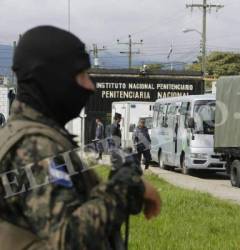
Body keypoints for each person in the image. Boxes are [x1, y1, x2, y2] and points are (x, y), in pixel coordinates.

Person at [0, 26, 161, 250]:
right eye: (81, 75)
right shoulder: (35, 146)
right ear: (52, 79)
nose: (90, 86)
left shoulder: (22, 134)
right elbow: (69, 239)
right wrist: (125, 184)